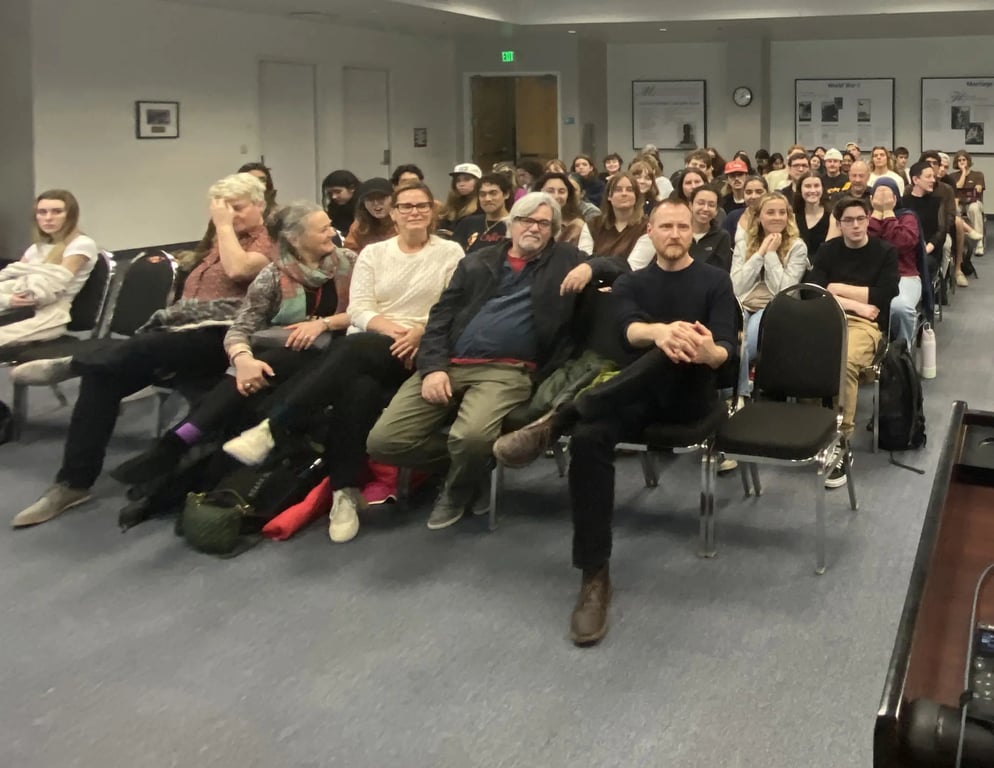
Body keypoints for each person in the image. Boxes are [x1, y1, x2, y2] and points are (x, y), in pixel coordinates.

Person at [491, 199, 738, 646]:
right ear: (651, 230)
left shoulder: (715, 281)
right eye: (667, 226)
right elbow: (627, 330)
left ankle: (560, 417)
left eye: (684, 226)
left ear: (692, 232)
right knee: (589, 440)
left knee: (674, 353)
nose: (676, 233)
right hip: (633, 397)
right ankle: (594, 577)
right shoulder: (633, 281)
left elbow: (726, 349)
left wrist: (706, 351)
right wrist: (661, 332)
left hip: (690, 398)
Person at [11, 173, 275, 527]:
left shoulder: (270, 239)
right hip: (183, 335)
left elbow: (239, 269)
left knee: (148, 345)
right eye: (222, 209)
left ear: (260, 205)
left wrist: (223, 227)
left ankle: (75, 361)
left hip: (227, 339)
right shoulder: (215, 242)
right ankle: (73, 483)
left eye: (237, 208)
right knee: (101, 378)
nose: (228, 215)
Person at [366, 192, 626, 531]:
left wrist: (590, 266)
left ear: (553, 230)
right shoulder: (477, 261)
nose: (533, 228)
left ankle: (457, 489)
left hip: (507, 371)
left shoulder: (564, 259)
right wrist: (432, 369)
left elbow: (623, 268)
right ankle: (474, 465)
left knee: (471, 438)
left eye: (543, 223)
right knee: (384, 441)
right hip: (449, 364)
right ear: (511, 225)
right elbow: (439, 319)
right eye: (526, 220)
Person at [222, 182, 465, 543]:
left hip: (417, 350)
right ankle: (343, 493)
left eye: (422, 206)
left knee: (351, 352)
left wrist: (418, 333)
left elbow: (453, 307)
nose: (414, 212)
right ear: (394, 213)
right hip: (376, 342)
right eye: (406, 206)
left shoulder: (450, 252)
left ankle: (274, 427)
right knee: (358, 389)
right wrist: (392, 328)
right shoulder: (373, 254)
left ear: (433, 212)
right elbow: (360, 309)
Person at [111, 201, 354, 486]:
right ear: (294, 238)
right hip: (280, 357)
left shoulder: (351, 263)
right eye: (323, 229)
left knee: (267, 368)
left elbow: (367, 310)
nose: (332, 233)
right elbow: (241, 328)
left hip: (336, 352)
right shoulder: (273, 276)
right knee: (252, 374)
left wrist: (322, 323)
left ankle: (177, 442)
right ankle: (186, 461)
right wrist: (243, 361)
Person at [807, 196, 899, 487]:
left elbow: (884, 295)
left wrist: (836, 289)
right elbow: (814, 291)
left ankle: (841, 438)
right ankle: (813, 426)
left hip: (867, 326)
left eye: (861, 218)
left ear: (869, 219)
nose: (856, 225)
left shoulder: (885, 251)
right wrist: (857, 301)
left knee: (844, 360)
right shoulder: (827, 250)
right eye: (849, 220)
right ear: (839, 223)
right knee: (804, 354)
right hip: (829, 317)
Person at [731, 192, 809, 396]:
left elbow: (784, 291)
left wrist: (772, 254)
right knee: (727, 339)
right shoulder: (744, 243)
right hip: (744, 302)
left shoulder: (797, 246)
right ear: (759, 217)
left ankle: (738, 395)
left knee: (746, 344)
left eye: (782, 212)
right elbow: (736, 286)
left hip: (776, 305)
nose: (777, 217)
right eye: (770, 212)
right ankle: (736, 391)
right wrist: (759, 254)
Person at [0, 190, 99, 348]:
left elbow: (47, 289)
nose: (48, 218)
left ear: (70, 215)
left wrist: (23, 284)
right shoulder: (36, 248)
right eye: (42, 212)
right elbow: (10, 280)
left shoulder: (81, 244)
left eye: (57, 212)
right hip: (15, 311)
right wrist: (7, 299)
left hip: (48, 316)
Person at [867, 178, 923, 349]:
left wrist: (889, 215)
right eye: (878, 194)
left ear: (896, 197)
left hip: (905, 275)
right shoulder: (864, 218)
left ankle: (902, 351)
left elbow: (901, 244)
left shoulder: (908, 217)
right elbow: (868, 245)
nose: (883, 198)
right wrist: (876, 214)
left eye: (887, 194)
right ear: (871, 199)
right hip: (871, 276)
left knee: (900, 308)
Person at [533, 171, 594, 254]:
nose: (556, 196)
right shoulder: (526, 219)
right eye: (550, 191)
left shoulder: (577, 226)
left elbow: (583, 257)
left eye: (561, 191)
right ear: (539, 192)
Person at [589, 173, 646, 260]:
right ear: (609, 196)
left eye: (630, 190)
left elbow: (634, 266)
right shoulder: (592, 224)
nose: (624, 194)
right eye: (618, 190)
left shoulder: (646, 227)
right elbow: (584, 261)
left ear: (636, 196)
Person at [452, 172, 513, 253]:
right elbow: (454, 252)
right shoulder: (468, 223)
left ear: (506, 194)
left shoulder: (515, 224)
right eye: (482, 194)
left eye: (493, 193)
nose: (487, 199)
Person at [343, 178, 396, 255]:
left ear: (393, 199)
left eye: (381, 197)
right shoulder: (359, 227)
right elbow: (349, 253)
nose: (376, 203)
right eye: (370, 199)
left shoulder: (403, 222)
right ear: (363, 204)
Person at [949, 150, 986, 258]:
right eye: (959, 160)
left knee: (974, 208)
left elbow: (978, 190)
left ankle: (979, 243)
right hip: (958, 203)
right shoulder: (952, 176)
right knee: (954, 210)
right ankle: (956, 242)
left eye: (964, 160)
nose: (961, 162)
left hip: (973, 202)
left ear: (968, 161)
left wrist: (977, 187)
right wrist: (964, 173)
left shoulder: (978, 175)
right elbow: (957, 188)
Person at [792, 171, 835, 256]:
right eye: (808, 186)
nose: (812, 190)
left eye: (816, 186)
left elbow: (829, 249)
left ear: (822, 188)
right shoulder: (792, 217)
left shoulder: (832, 217)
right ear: (800, 189)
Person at [437, 163, 482, 236]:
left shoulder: (482, 206)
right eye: (458, 180)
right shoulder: (451, 205)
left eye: (467, 179)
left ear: (477, 182)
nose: (461, 184)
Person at [724, 175, 768, 241]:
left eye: (759, 192)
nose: (753, 196)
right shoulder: (733, 216)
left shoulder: (775, 217)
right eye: (748, 192)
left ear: (767, 193)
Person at [321, 170, 360, 236]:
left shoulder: (365, 206)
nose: (334, 197)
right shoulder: (334, 207)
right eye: (330, 193)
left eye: (338, 191)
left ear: (352, 188)